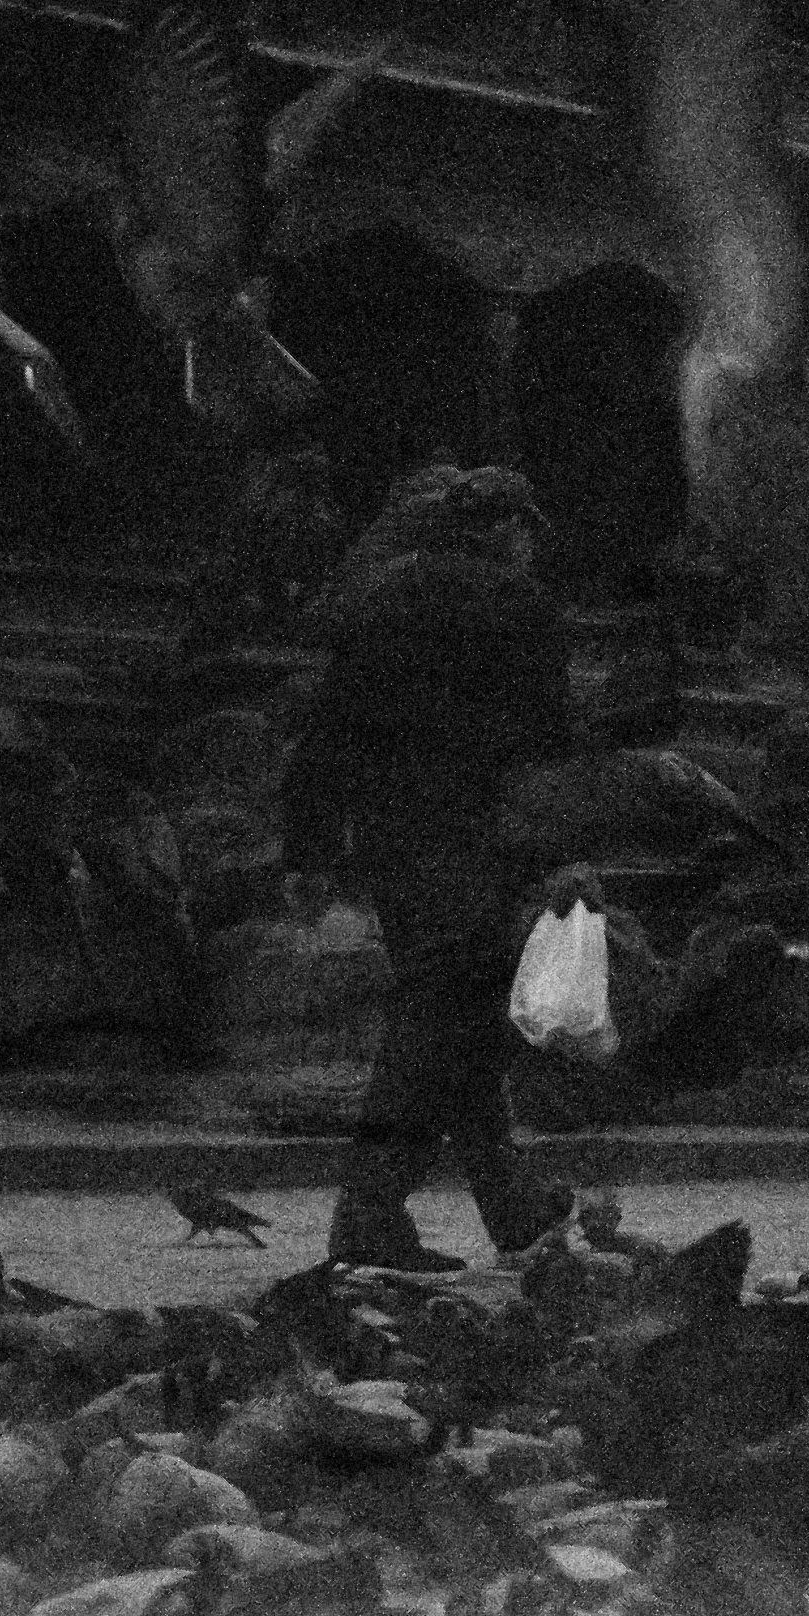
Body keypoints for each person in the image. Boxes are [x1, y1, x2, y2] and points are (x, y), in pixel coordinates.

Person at [282, 462, 592, 1266]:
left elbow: (331, 725)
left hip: (390, 838)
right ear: (508, 529)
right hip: (477, 838)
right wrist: (563, 853)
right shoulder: (521, 605)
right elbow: (546, 744)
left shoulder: (383, 594)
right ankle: (369, 1210)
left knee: (459, 1020)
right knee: (436, 1025)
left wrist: (309, 845)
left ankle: (510, 1209)